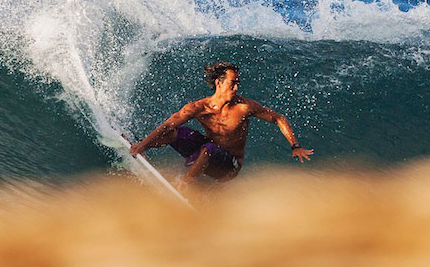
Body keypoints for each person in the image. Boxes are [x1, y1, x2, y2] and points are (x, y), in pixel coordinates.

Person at [129, 62, 313, 188]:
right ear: (219, 82)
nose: (237, 88)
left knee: (208, 149)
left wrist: (295, 146)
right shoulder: (198, 108)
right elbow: (168, 125)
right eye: (233, 83)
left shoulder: (244, 107)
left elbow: (279, 118)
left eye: (238, 83)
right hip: (207, 155)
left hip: (229, 167)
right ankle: (140, 148)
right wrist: (142, 145)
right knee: (176, 132)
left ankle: (183, 185)